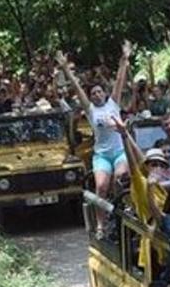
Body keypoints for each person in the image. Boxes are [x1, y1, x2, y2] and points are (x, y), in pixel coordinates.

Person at [56, 43, 131, 234]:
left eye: (99, 92)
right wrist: (65, 68)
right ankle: (101, 223)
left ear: (105, 93)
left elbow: (120, 80)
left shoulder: (113, 103)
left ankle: (123, 214)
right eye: (93, 93)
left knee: (120, 179)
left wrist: (124, 59)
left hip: (120, 150)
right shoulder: (91, 110)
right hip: (102, 155)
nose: (97, 95)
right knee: (101, 187)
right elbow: (76, 87)